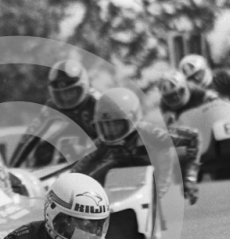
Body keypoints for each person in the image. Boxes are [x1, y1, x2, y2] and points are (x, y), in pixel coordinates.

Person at [73, 87, 201, 205]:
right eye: (105, 126)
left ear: (132, 119)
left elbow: (193, 137)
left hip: (158, 175)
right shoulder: (102, 142)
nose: (110, 131)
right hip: (121, 173)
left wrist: (189, 178)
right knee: (86, 183)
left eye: (116, 125)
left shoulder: (152, 133)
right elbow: (80, 168)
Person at [12, 60, 101, 167]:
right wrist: (12, 167)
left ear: (84, 85)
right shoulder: (52, 105)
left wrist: (87, 152)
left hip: (102, 137)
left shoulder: (98, 102)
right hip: (77, 130)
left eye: (71, 92)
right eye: (60, 93)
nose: (66, 98)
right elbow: (30, 136)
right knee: (44, 150)